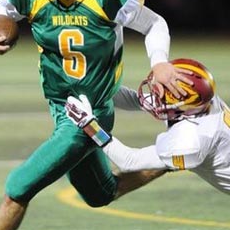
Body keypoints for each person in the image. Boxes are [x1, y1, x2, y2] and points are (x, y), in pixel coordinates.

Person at [0, 0, 191, 230]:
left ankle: (181, 151)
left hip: (89, 114)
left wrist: (160, 62)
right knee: (101, 193)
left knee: (16, 189)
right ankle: (178, 156)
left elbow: (154, 24)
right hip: (61, 106)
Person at [66, 58, 230, 196]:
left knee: (168, 158)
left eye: (163, 90)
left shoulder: (192, 138)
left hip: (196, 150)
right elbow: (135, 100)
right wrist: (93, 88)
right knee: (168, 158)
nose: (155, 89)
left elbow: (129, 160)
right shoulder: (196, 103)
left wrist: (89, 125)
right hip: (208, 149)